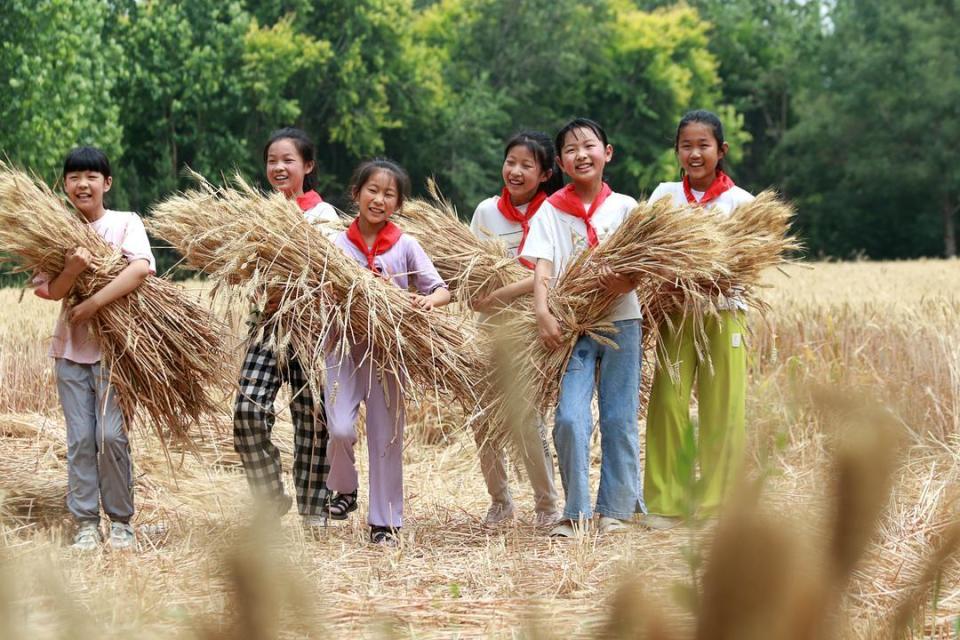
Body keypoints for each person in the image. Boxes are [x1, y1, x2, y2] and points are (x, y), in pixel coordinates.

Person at [520, 118, 644, 538]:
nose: (581, 154)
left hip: (622, 319)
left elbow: (646, 265)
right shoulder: (551, 211)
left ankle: (617, 509)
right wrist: (542, 313)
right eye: (571, 150)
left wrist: (623, 282)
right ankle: (575, 512)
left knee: (618, 416)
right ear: (559, 163)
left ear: (607, 153)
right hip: (571, 326)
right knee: (571, 417)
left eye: (589, 146)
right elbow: (543, 264)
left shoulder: (626, 208)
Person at [33, 147, 156, 551]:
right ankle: (86, 522)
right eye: (73, 177)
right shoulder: (53, 230)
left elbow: (140, 267)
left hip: (116, 353)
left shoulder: (125, 223)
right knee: (81, 439)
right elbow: (49, 291)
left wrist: (93, 303)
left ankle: (121, 521)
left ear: (107, 183)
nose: (82, 184)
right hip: (70, 352)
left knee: (112, 436)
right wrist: (72, 270)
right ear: (64, 184)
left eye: (91, 176)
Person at [323, 159, 451, 546]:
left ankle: (386, 522)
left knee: (386, 435)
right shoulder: (334, 244)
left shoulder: (407, 245)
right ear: (356, 193)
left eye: (389, 194)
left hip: (388, 351)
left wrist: (428, 304)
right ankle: (344, 488)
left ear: (398, 203)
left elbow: (440, 289)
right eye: (372, 190)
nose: (379, 199)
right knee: (339, 426)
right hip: (342, 347)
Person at [643, 109, 755, 529]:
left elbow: (749, 265)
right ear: (676, 151)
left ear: (721, 150)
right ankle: (665, 501)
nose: (694, 153)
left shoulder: (742, 203)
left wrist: (710, 285)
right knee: (668, 404)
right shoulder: (664, 196)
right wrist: (670, 284)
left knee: (722, 406)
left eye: (703, 145)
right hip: (675, 314)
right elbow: (647, 251)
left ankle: (716, 505)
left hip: (725, 315)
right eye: (686, 146)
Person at [233, 127, 338, 529]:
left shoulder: (322, 214)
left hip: (310, 327)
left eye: (287, 160)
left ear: (307, 166)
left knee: (311, 419)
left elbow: (321, 268)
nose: (278, 167)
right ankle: (270, 497)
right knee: (247, 411)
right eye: (272, 161)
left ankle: (313, 509)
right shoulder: (258, 213)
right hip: (266, 324)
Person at [469, 131, 562, 527]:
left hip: (533, 329)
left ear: (545, 174)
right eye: (511, 162)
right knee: (482, 416)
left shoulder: (555, 213)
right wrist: (476, 292)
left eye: (527, 165)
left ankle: (546, 505)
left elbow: (553, 271)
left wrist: (504, 291)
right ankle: (500, 501)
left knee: (526, 417)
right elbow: (469, 268)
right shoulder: (487, 212)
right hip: (489, 326)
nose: (516, 171)